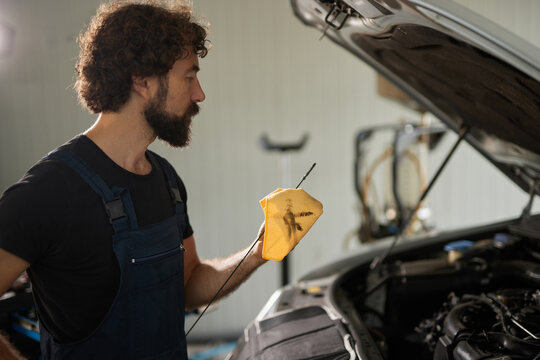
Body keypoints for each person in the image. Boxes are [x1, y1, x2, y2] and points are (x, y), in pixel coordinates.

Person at [0, 2, 267, 359]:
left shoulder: (166, 181)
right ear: (142, 80)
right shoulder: (46, 193)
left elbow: (189, 285)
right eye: (189, 76)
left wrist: (258, 253)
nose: (199, 93)